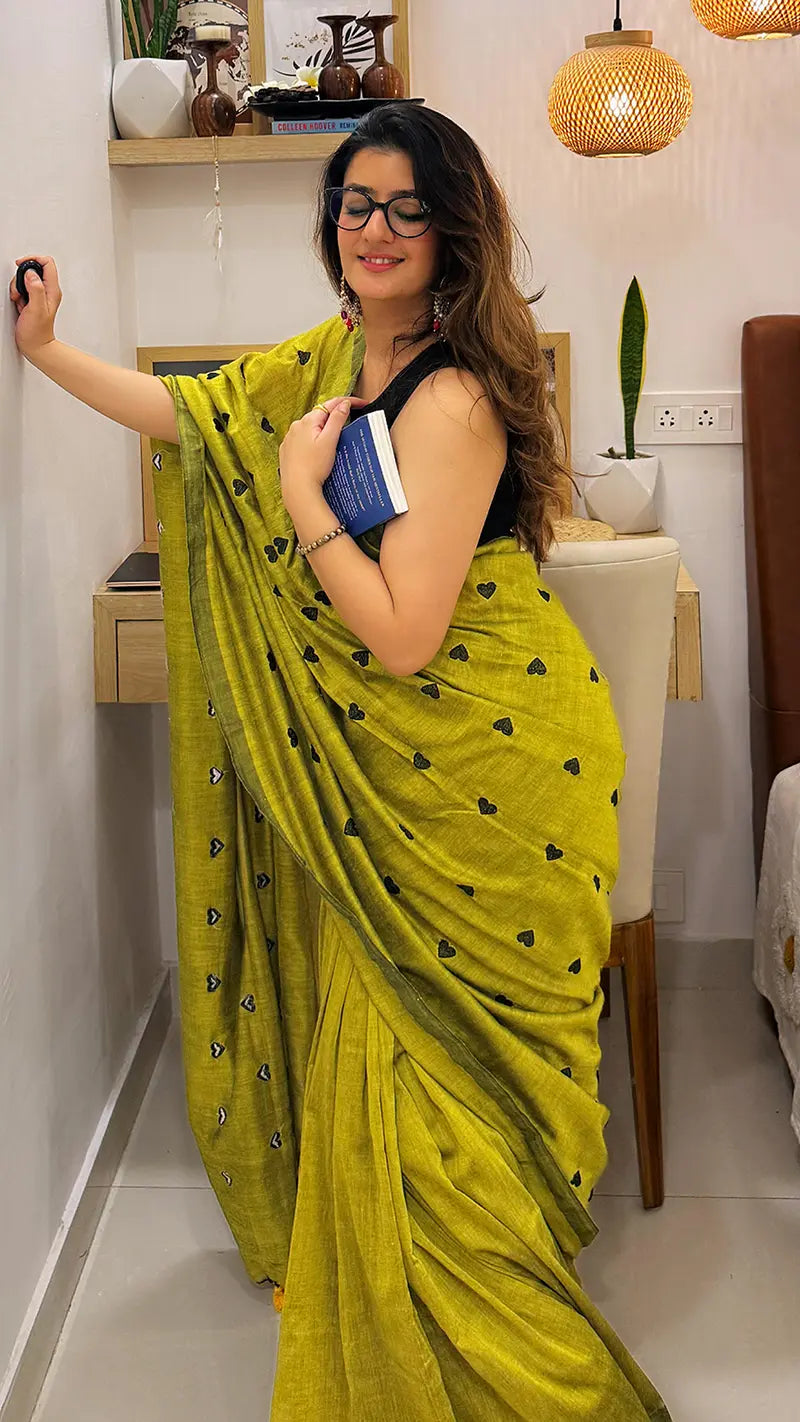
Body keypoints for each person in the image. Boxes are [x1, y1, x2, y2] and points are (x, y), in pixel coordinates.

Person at [11, 103, 670, 1422]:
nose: (373, 230)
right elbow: (193, 417)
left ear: (452, 229)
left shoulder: (457, 394)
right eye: (352, 205)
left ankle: (478, 1306)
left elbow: (410, 638)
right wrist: (46, 354)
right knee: (384, 1045)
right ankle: (397, 1266)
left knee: (435, 1069)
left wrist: (307, 498)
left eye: (403, 208)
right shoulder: (329, 367)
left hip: (483, 763)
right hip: (393, 775)